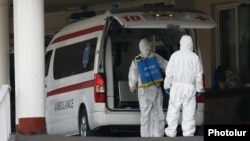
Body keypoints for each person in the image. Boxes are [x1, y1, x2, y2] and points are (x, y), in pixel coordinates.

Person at [163, 35, 204, 137]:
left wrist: (167, 86)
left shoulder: (174, 55)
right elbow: (198, 75)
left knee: (173, 110)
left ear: (181, 43)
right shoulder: (194, 57)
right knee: (189, 113)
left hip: (176, 87)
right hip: (190, 88)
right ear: (191, 44)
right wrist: (199, 88)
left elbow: (169, 73)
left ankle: (171, 133)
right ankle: (188, 135)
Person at [128, 38, 168, 137]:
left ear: (140, 48)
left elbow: (132, 77)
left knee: (146, 114)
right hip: (156, 88)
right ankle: (158, 135)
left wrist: (132, 88)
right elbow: (167, 66)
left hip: (143, 90)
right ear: (149, 46)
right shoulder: (155, 57)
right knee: (157, 112)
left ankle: (146, 137)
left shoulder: (136, 60)